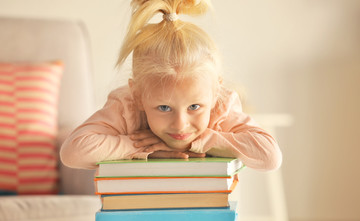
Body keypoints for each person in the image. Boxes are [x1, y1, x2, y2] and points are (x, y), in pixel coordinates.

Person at [60, 0, 282, 171]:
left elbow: (270, 156)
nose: (180, 125)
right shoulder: (126, 105)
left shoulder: (221, 107)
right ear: (138, 95)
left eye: (194, 107)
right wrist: (141, 147)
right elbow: (73, 152)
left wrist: (200, 142)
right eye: (164, 108)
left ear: (215, 93)